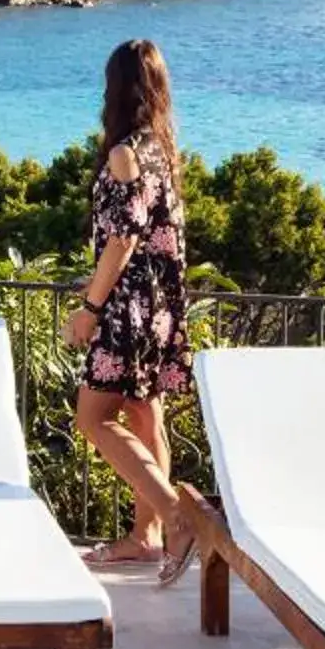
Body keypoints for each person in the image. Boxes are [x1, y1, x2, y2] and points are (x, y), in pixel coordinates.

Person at [68, 37, 196, 586]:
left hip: (127, 308)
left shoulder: (124, 154)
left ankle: (173, 518)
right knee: (146, 417)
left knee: (93, 417)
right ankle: (145, 540)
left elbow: (121, 241)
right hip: (162, 305)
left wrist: (89, 307)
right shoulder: (160, 150)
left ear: (116, 89)